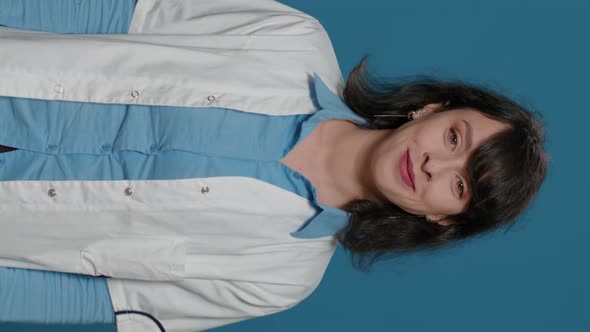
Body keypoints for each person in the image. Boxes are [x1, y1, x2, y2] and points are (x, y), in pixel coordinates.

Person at [0, 0, 547, 331]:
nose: (433, 163)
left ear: (444, 220)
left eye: (457, 185)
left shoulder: (280, 278)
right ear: (433, 108)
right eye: (455, 136)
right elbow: (119, 13)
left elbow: (97, 299)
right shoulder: (292, 39)